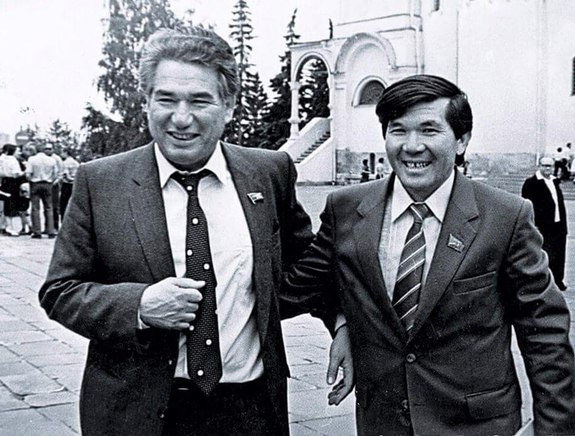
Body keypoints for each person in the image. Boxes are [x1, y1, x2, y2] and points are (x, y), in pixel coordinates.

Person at [38, 28, 348, 436]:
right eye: (166, 99)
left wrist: (340, 322)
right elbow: (60, 291)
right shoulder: (101, 182)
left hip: (249, 411)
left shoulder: (268, 172)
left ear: (229, 106)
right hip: (139, 413)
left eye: (200, 101)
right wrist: (140, 305)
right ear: (146, 102)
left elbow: (305, 267)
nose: (181, 118)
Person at [285, 75, 575, 435]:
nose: (412, 146)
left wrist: (557, 429)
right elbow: (300, 287)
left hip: (476, 426)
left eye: (429, 130)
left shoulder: (505, 216)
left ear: (461, 140)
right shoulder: (346, 209)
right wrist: (342, 321)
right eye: (398, 130)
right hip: (383, 422)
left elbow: (545, 333)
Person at [521, 156, 568, 290]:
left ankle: (558, 280)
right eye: (545, 165)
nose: (548, 168)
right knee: (545, 253)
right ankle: (543, 282)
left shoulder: (554, 181)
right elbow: (528, 206)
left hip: (558, 224)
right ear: (539, 166)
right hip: (543, 225)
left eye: (550, 166)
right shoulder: (531, 183)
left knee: (559, 253)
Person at [25, 142, 60, 238]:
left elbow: (28, 173)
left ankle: (37, 231)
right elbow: (55, 174)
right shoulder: (51, 160)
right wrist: (51, 181)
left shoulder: (32, 159)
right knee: (49, 207)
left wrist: (31, 180)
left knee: (35, 208)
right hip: (47, 184)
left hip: (35, 183)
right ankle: (50, 230)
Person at [59, 148, 79, 220]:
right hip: (74, 184)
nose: (61, 154)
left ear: (66, 152)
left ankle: (63, 220)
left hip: (67, 184)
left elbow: (66, 175)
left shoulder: (65, 163)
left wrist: (70, 179)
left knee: (64, 204)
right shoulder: (76, 163)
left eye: (62, 152)